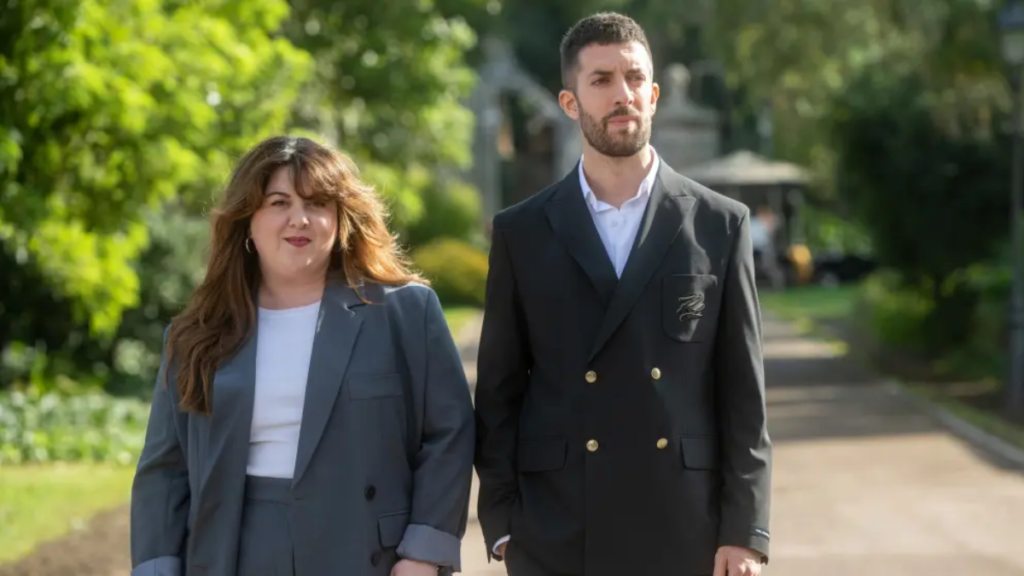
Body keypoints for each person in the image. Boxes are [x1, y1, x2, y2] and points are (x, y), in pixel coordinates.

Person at [473, 12, 771, 576]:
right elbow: (498, 394)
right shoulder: (522, 231)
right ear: (569, 102)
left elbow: (743, 397)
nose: (622, 94)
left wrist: (745, 531)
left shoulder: (720, 224)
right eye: (602, 80)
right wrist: (505, 525)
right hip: (558, 527)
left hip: (688, 523)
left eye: (634, 79)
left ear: (655, 95)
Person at [130, 136, 475, 576]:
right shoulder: (196, 333)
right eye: (278, 203)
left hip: (366, 552)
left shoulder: (404, 311)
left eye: (317, 204)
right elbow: (165, 468)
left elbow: (449, 432)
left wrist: (424, 553)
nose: (300, 219)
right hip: (231, 551)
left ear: (340, 217)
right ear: (247, 219)